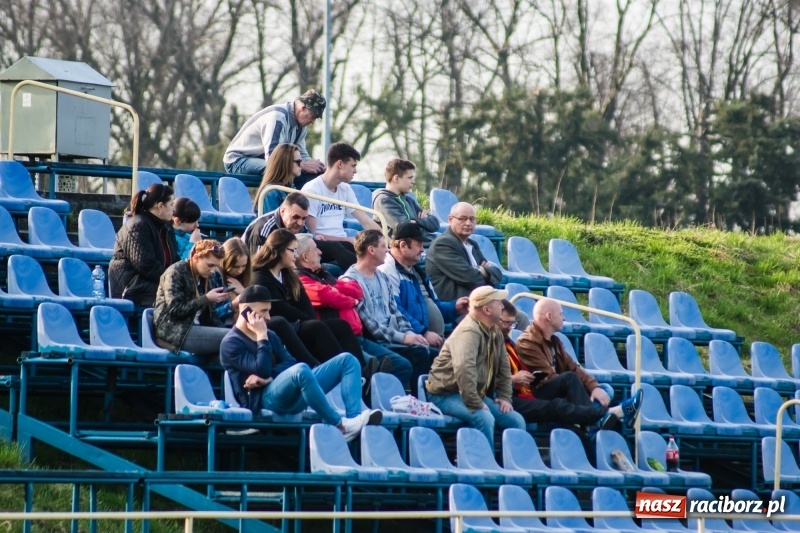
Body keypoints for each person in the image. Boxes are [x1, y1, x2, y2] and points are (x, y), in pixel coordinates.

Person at [220, 285, 382, 441]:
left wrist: (270, 376)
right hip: (263, 400)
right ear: (245, 311)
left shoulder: (270, 334)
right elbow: (262, 370)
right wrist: (261, 336)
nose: (268, 318)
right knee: (302, 370)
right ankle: (340, 425)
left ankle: (354, 421)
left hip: (287, 391)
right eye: (264, 311)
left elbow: (289, 362)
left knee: (348, 360)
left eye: (269, 311)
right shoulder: (231, 343)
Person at [294, 233, 413, 389]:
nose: (320, 252)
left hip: (358, 337)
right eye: (316, 249)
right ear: (305, 257)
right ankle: (377, 402)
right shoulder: (301, 279)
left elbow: (356, 289)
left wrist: (335, 291)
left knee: (410, 359)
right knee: (391, 366)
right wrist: (345, 298)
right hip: (341, 340)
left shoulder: (324, 275)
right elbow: (326, 296)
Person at [499, 299, 625, 435]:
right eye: (561, 314)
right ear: (549, 316)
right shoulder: (527, 342)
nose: (564, 318)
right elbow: (547, 377)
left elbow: (574, 368)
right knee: (569, 380)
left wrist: (594, 387)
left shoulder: (555, 341)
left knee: (605, 390)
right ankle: (598, 420)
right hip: (538, 390)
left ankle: (604, 417)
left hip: (549, 388)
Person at [425, 286, 526, 448]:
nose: (502, 306)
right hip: (445, 394)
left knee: (516, 420)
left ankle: (513, 466)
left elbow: (503, 368)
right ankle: (483, 466)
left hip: (471, 393)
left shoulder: (495, 331)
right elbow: (465, 371)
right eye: (498, 303)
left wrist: (505, 396)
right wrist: (475, 403)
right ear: (486, 309)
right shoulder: (468, 332)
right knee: (484, 418)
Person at [250, 229, 368, 366]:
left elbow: (304, 303)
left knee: (340, 325)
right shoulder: (260, 276)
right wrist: (304, 318)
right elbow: (279, 308)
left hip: (297, 323)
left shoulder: (289, 275)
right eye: (292, 251)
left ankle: (361, 370)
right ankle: (339, 369)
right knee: (316, 327)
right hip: (278, 326)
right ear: (280, 250)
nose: (296, 255)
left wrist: (305, 317)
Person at [342, 229, 434, 392]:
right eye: (383, 246)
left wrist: (410, 333)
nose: (387, 250)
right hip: (374, 340)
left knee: (426, 352)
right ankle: (391, 401)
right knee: (405, 364)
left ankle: (416, 400)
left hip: (392, 337)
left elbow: (395, 310)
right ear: (371, 250)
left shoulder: (382, 277)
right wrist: (404, 338)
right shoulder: (350, 281)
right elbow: (371, 326)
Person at [211, 237, 324, 368]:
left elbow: (260, 305)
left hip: (253, 323)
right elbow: (213, 315)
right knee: (279, 322)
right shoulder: (216, 279)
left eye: (243, 266)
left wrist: (245, 292)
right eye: (235, 267)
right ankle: (313, 366)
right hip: (232, 327)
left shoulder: (247, 277)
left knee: (314, 326)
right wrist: (236, 302)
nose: (240, 271)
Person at [378, 221, 469, 345]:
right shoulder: (387, 270)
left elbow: (434, 307)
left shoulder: (417, 271)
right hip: (411, 341)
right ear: (403, 246)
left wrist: (454, 308)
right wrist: (423, 332)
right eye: (419, 244)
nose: (422, 249)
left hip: (430, 339)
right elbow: (395, 310)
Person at [301, 142, 382, 268]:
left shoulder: (345, 189)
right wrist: (347, 240)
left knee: (371, 250)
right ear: (340, 164)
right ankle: (359, 277)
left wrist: (387, 241)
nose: (355, 170)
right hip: (320, 245)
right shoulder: (312, 190)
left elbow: (366, 221)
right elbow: (314, 235)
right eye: (353, 165)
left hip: (342, 243)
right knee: (341, 247)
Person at [223, 90, 326, 188]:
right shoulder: (277, 118)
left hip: (261, 160)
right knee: (280, 170)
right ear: (302, 108)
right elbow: (273, 158)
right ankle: (273, 204)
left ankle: (304, 203)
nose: (313, 121)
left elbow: (302, 155)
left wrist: (319, 169)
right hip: (237, 161)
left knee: (308, 174)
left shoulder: (301, 126)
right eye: (313, 116)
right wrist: (302, 165)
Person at [152, 240, 230, 358]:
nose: (213, 270)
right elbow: (175, 311)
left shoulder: (207, 277)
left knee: (231, 349)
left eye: (216, 266)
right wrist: (206, 299)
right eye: (210, 265)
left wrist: (224, 328)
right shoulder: (175, 272)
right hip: (175, 332)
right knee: (233, 338)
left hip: (197, 328)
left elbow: (211, 317)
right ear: (196, 257)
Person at [110, 183, 180, 307]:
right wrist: (172, 281)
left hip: (156, 282)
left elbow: (174, 259)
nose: (174, 209)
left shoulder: (166, 226)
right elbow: (146, 265)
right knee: (175, 297)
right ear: (160, 206)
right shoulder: (138, 226)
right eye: (171, 204)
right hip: (134, 287)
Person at [425, 202, 502, 301]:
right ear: (450, 220)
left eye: (472, 219)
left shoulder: (473, 244)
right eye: (462, 219)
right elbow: (472, 279)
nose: (468, 223)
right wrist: (485, 272)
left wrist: (485, 272)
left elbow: (498, 275)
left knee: (517, 315)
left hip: (480, 302)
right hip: (458, 306)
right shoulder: (443, 244)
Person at [371, 158, 440, 241]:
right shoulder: (383, 201)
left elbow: (435, 223)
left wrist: (416, 221)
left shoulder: (408, 200)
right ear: (396, 178)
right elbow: (405, 227)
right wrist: (422, 221)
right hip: (408, 246)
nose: (413, 182)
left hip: (424, 241)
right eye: (410, 178)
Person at [243, 192, 311, 256]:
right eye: (295, 217)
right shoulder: (263, 228)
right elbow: (257, 265)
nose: (300, 223)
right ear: (282, 211)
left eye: (304, 218)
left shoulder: (300, 225)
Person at [254, 143, 303, 214]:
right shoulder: (271, 192)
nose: (302, 165)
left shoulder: (290, 188)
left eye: (301, 161)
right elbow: (272, 223)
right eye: (298, 162)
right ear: (286, 163)